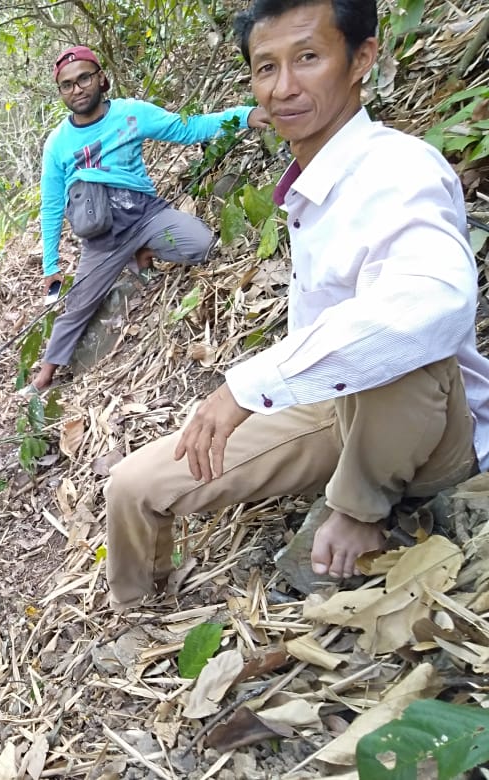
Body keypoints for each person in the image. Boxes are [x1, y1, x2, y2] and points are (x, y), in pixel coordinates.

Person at [103, 0, 489, 609]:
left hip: (429, 428)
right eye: (265, 67)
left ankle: (362, 507)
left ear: (361, 59)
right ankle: (135, 612)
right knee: (132, 485)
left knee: (402, 342)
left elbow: (433, 301)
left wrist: (249, 388)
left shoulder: (398, 169)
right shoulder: (310, 182)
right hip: (334, 409)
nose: (283, 88)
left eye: (307, 58)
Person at [21, 45, 269, 395]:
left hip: (145, 215)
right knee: (78, 305)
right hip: (101, 238)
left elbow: (188, 129)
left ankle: (144, 252)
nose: (77, 89)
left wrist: (244, 116)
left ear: (101, 79)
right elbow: (50, 206)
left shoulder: (131, 114)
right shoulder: (57, 144)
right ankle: (45, 374)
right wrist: (51, 265)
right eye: (67, 85)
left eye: (84, 78)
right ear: (61, 92)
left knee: (201, 244)